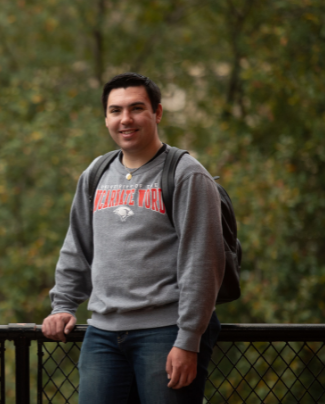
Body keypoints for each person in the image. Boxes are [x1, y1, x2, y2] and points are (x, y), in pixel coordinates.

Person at [41, 73, 225, 403]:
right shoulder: (96, 173)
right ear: (106, 118)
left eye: (136, 108)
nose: (125, 119)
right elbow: (77, 247)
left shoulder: (185, 174)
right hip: (102, 335)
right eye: (115, 110)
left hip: (166, 332)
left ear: (157, 113)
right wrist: (64, 305)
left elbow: (203, 261)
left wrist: (188, 339)